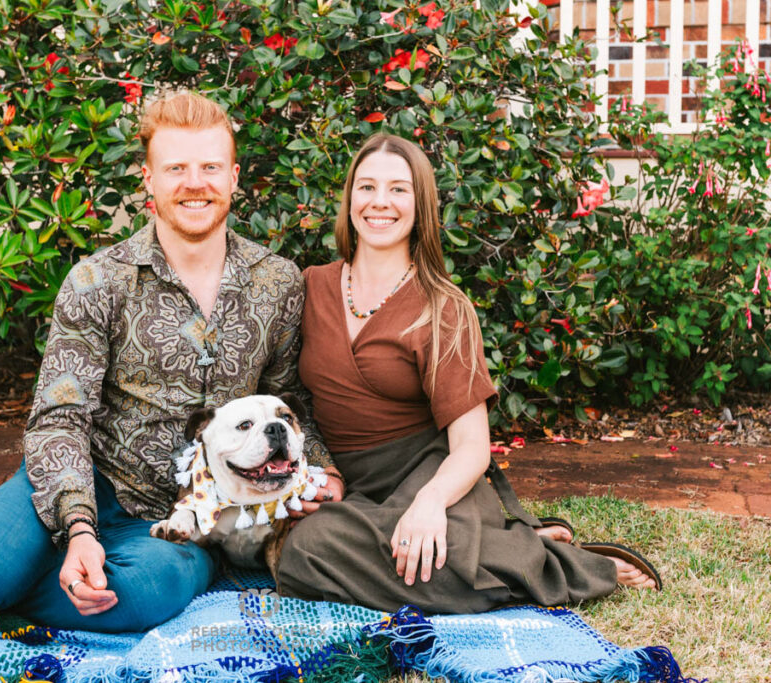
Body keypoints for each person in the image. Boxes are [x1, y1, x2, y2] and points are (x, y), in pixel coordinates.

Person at [0, 91, 343, 632]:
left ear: (234, 177)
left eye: (210, 167)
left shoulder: (278, 282)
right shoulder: (99, 280)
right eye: (176, 168)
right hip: (85, 480)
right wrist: (79, 529)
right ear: (148, 180)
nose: (195, 183)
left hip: (184, 516)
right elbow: (59, 417)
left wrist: (324, 469)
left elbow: (290, 399)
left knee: (150, 593)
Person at [276, 133, 660, 613]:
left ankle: (556, 565)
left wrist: (431, 502)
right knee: (303, 554)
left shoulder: (442, 307)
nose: (380, 203)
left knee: (331, 548)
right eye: (366, 187)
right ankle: (497, 549)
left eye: (399, 189)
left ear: (421, 206)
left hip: (429, 474)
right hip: (348, 491)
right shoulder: (311, 285)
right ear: (349, 197)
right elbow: (287, 397)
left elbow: (473, 447)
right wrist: (322, 469)